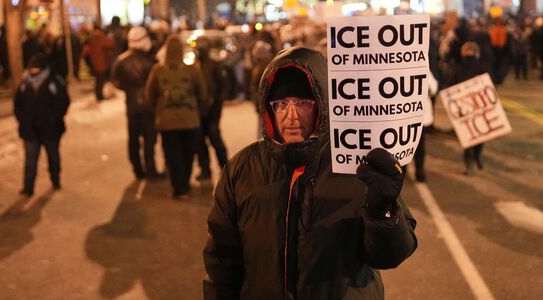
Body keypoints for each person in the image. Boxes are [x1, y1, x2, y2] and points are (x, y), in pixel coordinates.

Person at [203, 47, 417, 299]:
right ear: (268, 109)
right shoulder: (242, 169)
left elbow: (390, 255)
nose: (291, 116)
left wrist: (383, 212)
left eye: (302, 103)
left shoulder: (356, 166)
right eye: (281, 104)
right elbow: (222, 260)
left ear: (323, 104)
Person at [145, 35, 208, 198]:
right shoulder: (192, 69)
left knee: (172, 155)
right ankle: (185, 184)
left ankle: (177, 188)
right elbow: (203, 93)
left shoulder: (157, 70)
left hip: (166, 122)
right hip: (189, 120)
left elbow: (149, 96)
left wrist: (159, 109)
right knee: (188, 154)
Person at [13, 54, 70, 196]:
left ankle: (55, 180)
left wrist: (54, 118)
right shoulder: (24, 83)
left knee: (53, 156)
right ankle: (28, 188)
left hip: (50, 129)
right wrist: (22, 119)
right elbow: (17, 104)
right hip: (30, 129)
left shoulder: (54, 82)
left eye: (36, 69)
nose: (34, 71)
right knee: (30, 160)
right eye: (32, 69)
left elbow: (63, 102)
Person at [112, 26, 159, 179]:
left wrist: (130, 90)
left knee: (133, 139)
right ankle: (150, 169)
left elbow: (117, 82)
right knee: (149, 139)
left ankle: (137, 169)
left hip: (131, 105)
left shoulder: (121, 61)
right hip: (148, 106)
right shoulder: (151, 61)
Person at [448, 42, 491, 175]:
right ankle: (478, 156)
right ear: (477, 53)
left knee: (467, 137)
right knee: (480, 133)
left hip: (463, 108)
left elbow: (450, 86)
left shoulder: (458, 68)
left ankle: (469, 164)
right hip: (479, 107)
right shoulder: (482, 67)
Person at [194, 38, 229, 180]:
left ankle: (225, 168)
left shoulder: (214, 65)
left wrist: (216, 103)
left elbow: (223, 85)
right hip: (199, 110)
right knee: (200, 141)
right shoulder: (195, 66)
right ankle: (205, 169)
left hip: (212, 111)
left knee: (215, 139)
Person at [85, 24, 114, 101]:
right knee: (101, 79)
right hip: (102, 61)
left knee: (98, 79)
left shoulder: (91, 37)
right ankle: (99, 95)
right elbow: (109, 45)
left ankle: (98, 94)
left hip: (94, 61)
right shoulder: (100, 36)